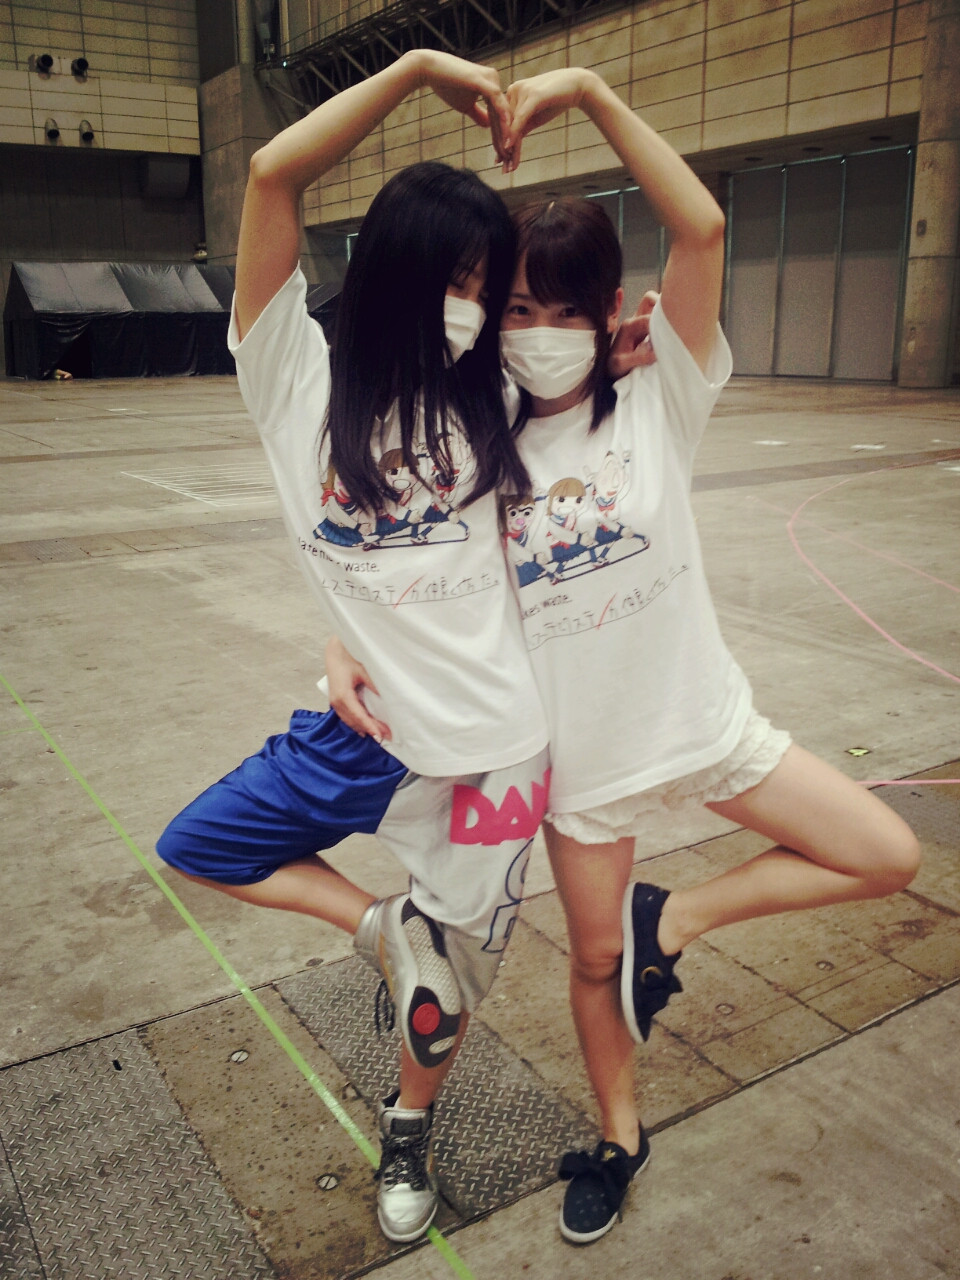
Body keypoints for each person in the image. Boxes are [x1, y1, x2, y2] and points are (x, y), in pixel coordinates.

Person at [328, 66, 921, 1246]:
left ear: (610, 312)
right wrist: (338, 641)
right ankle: (618, 1135)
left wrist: (592, 92)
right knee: (594, 960)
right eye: (518, 310)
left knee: (885, 852)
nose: (540, 334)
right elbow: (398, 557)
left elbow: (701, 227)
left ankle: (676, 917)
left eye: (567, 310)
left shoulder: (663, 398)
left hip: (703, 720)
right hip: (582, 761)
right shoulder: (476, 440)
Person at [155, 49, 553, 1245]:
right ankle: (381, 928)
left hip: (498, 745)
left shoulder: (497, 398)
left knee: (448, 990)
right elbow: (273, 174)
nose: (472, 305)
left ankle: (410, 1124)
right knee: (198, 843)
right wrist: (419, 68)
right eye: (456, 278)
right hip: (370, 735)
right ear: (396, 272)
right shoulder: (297, 382)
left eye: (486, 284)